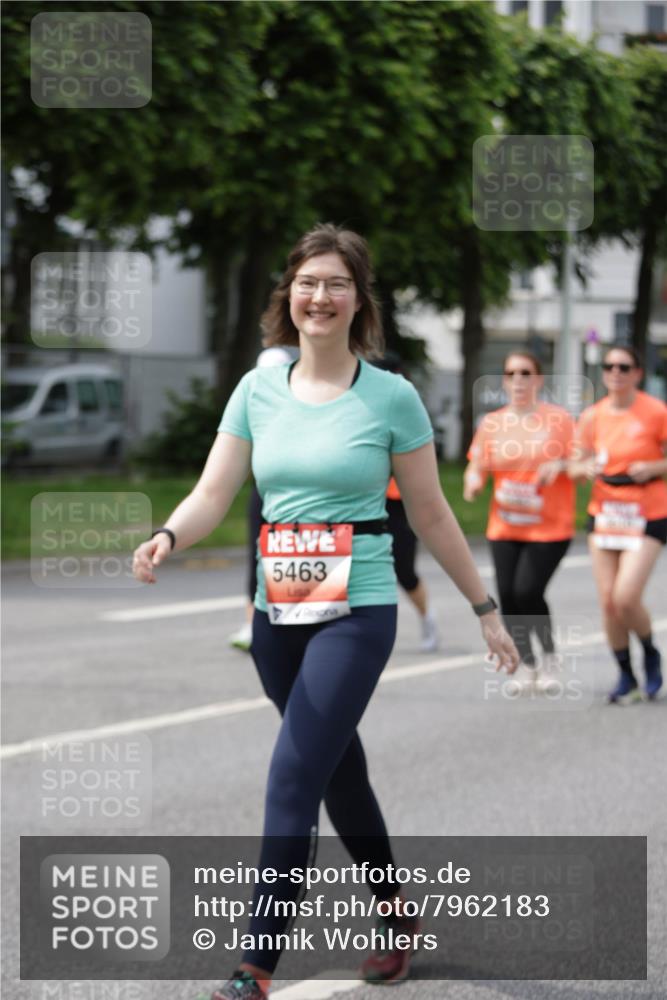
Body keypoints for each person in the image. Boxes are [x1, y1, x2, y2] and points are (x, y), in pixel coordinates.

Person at [132, 223, 519, 999]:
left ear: (357, 299)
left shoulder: (390, 395)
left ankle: (255, 966)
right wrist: (170, 532)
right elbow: (215, 491)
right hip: (279, 609)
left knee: (291, 776)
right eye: (308, 282)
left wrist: (484, 607)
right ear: (289, 295)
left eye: (336, 283)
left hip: (358, 606)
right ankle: (397, 914)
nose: (320, 296)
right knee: (339, 774)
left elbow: (433, 515)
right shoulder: (256, 390)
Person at [464, 351, 575, 693]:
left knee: (529, 590)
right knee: (509, 596)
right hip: (505, 525)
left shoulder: (558, 421)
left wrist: (559, 467)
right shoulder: (493, 424)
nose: (518, 380)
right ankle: (527, 666)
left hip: (549, 526)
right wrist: (473, 480)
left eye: (526, 373)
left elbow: (583, 465)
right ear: (504, 381)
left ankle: (551, 658)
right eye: (511, 374)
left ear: (539, 380)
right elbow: (477, 463)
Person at [570, 344, 667, 704]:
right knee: (609, 602)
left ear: (637, 373)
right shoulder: (593, 416)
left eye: (624, 367)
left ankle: (650, 652)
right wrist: (584, 468)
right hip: (606, 514)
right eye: (610, 366)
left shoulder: (655, 412)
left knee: (627, 596)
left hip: (647, 513)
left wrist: (655, 467)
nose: (615, 372)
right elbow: (574, 464)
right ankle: (626, 673)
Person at [228, 347, 296, 652]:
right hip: (262, 492)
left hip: (295, 497)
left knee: (288, 556)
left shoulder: (302, 405)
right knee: (256, 555)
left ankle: (292, 619)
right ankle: (252, 622)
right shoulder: (252, 403)